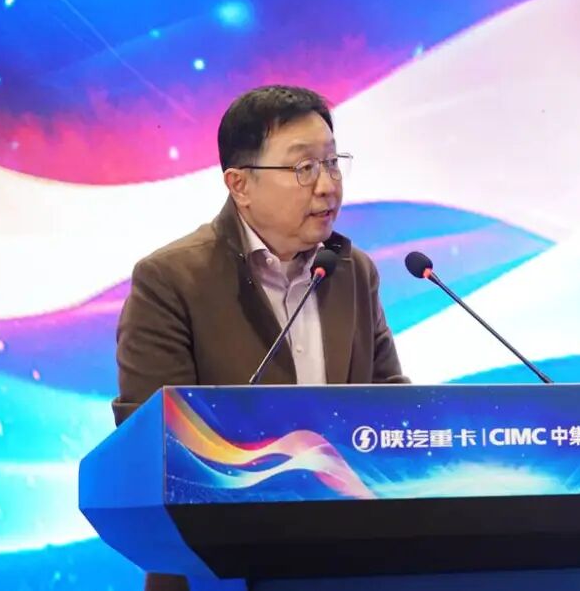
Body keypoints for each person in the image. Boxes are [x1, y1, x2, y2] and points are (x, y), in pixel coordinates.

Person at [113, 85, 408, 591]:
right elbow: (152, 448)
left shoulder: (351, 272)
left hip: (345, 567)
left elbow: (390, 410)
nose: (327, 186)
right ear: (240, 185)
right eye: (303, 167)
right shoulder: (171, 281)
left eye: (332, 163)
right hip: (217, 573)